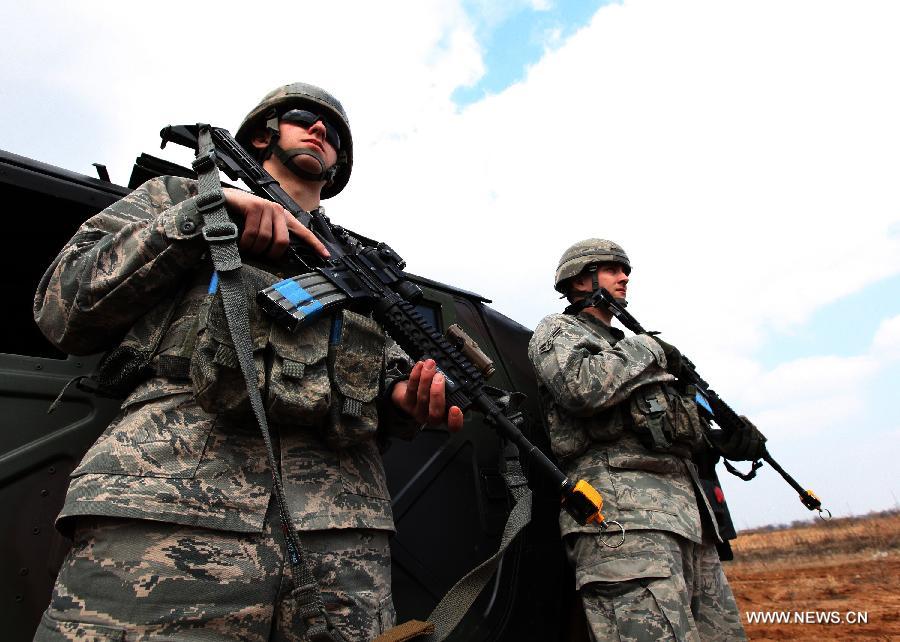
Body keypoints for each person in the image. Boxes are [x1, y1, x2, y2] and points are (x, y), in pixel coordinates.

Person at [32, 82, 462, 642]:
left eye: (334, 135)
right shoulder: (179, 195)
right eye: (306, 118)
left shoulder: (360, 265)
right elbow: (62, 306)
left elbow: (384, 370)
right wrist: (203, 219)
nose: (320, 133)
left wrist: (403, 398)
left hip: (340, 532)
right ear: (263, 134)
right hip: (171, 506)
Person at [528, 238, 755, 641]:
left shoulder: (630, 348)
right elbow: (580, 387)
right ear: (582, 280)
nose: (625, 277)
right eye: (614, 269)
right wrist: (650, 347)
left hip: (687, 523)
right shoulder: (559, 330)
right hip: (624, 524)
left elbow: (670, 431)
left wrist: (725, 440)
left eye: (625, 270)